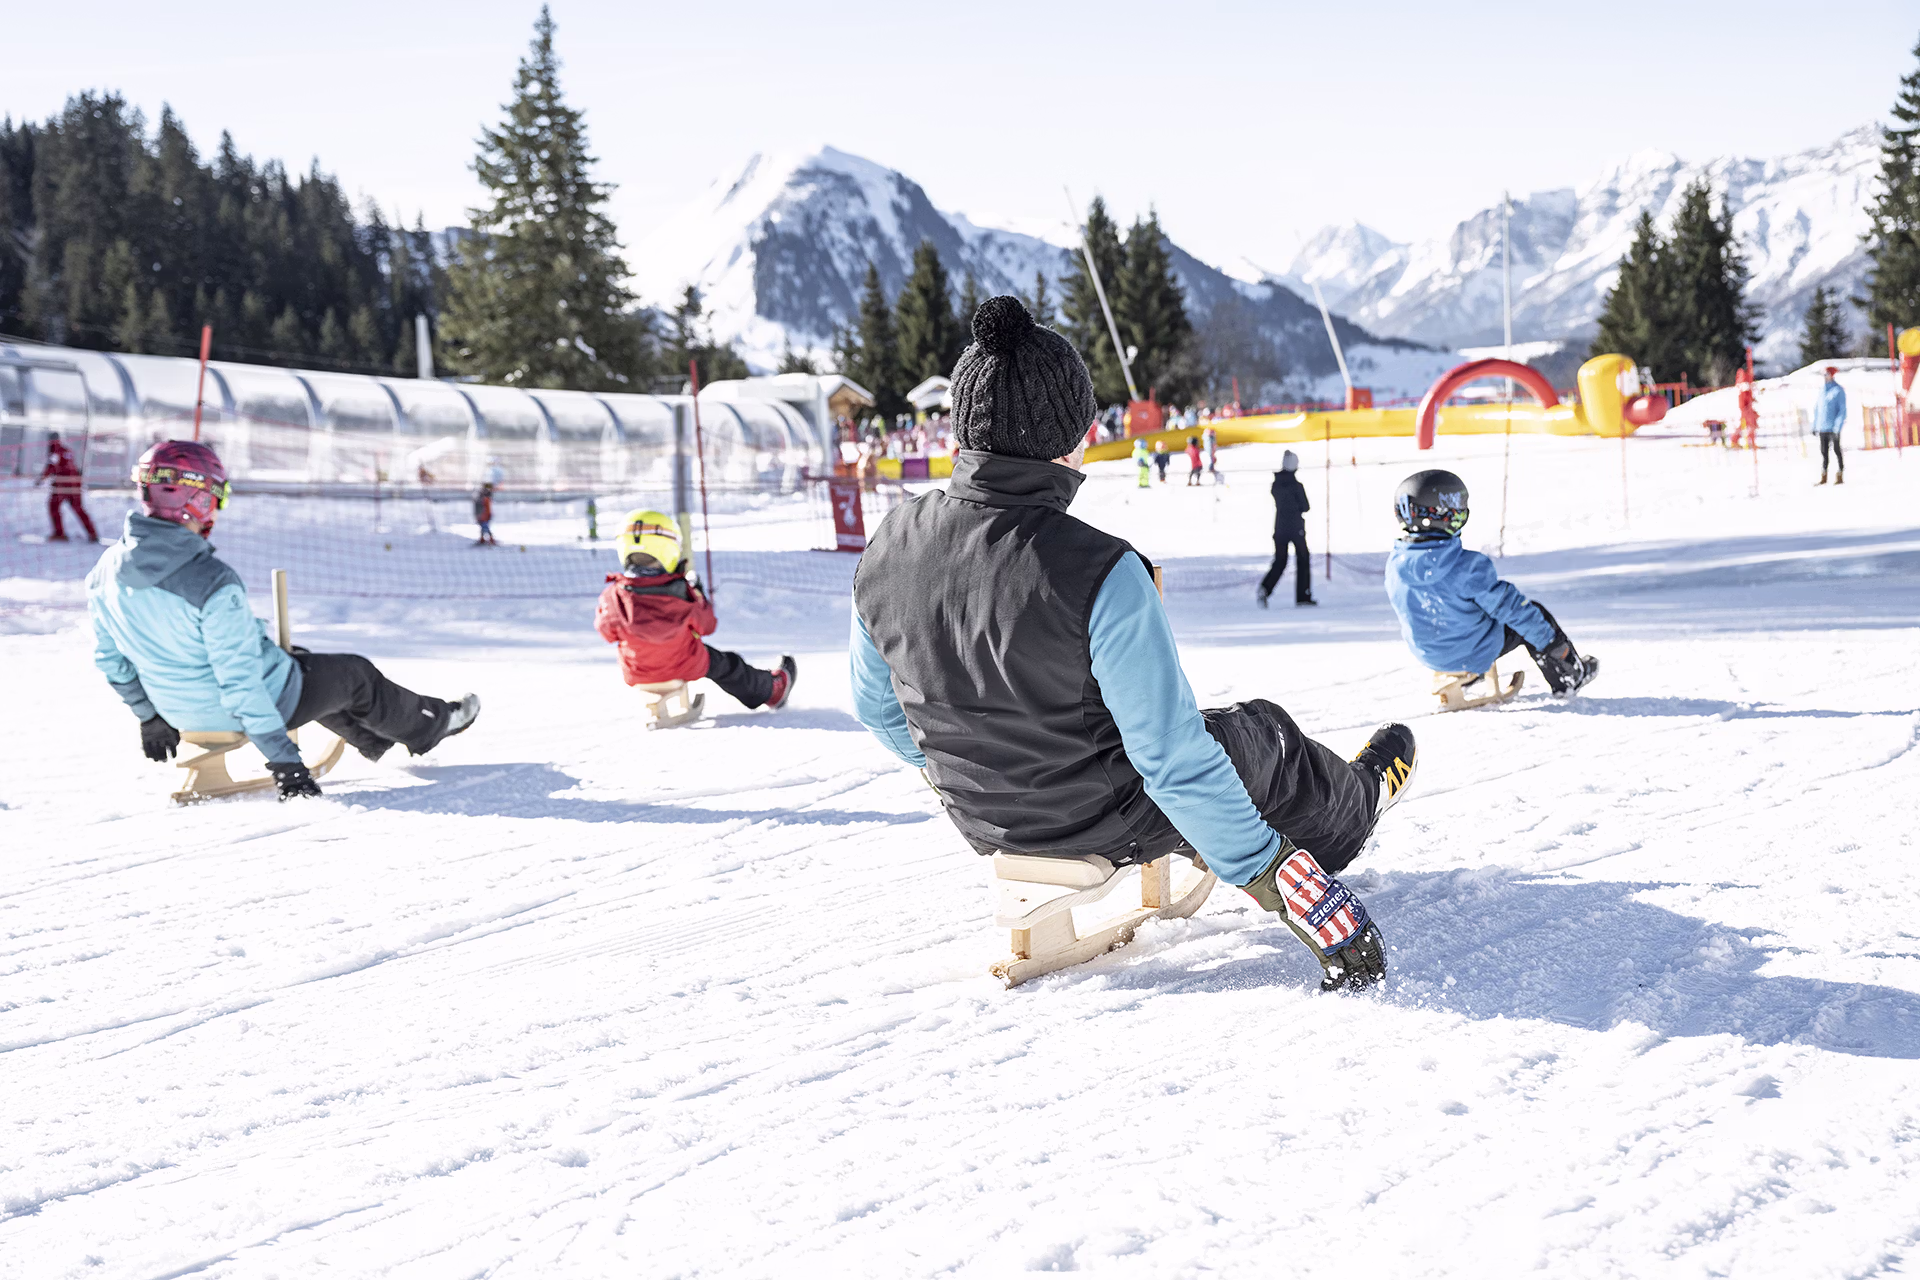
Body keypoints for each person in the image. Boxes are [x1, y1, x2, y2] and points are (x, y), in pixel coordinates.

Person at [849, 296, 1418, 992]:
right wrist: (1272, 874)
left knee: (1195, 744)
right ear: (1072, 437)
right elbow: (1170, 760)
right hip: (1102, 816)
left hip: (981, 814)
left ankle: (1230, 824)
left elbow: (880, 712)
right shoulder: (1100, 569)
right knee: (1258, 736)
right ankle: (1357, 803)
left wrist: (973, 761)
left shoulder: (887, 546)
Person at [87, 441, 480, 800]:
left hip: (174, 710)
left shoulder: (105, 571)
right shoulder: (211, 581)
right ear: (201, 500)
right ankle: (434, 723)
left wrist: (149, 717)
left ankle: (376, 741)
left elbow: (111, 661)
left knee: (303, 665)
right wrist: (285, 764)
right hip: (241, 707)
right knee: (354, 674)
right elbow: (240, 681)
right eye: (217, 496)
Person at [1385, 469, 1598, 695]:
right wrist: (1549, 642)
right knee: (1535, 615)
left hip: (1429, 653)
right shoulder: (1466, 566)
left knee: (1465, 611)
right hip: (1471, 652)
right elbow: (1513, 609)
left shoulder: (1395, 564)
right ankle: (1569, 675)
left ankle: (1465, 673)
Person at [595, 509, 795, 711]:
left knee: (699, 657)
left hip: (637, 670)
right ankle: (771, 690)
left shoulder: (613, 595)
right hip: (686, 662)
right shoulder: (680, 591)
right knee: (728, 665)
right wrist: (698, 593)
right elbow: (707, 626)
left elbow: (606, 632)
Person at [1258, 450, 1315, 608]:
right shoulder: (1296, 486)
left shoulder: (1276, 485)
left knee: (1280, 561)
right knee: (1303, 560)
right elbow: (1305, 506)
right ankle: (1303, 595)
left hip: (1280, 528)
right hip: (1296, 528)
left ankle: (1265, 588)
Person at [36, 431, 98, 543]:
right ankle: (92, 533)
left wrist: (41, 479)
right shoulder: (66, 450)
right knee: (78, 508)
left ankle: (59, 533)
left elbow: (51, 466)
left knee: (53, 507)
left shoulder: (55, 451)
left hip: (62, 485)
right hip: (74, 485)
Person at [1814, 365, 1846, 485]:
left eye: (1826, 374)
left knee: (1837, 450)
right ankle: (1824, 475)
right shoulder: (1822, 391)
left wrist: (1837, 427)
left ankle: (1840, 473)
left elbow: (1842, 410)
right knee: (1824, 452)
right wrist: (1815, 426)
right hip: (1823, 427)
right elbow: (1818, 409)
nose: (1825, 377)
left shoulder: (1838, 390)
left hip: (1833, 427)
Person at [1734, 367, 1758, 450]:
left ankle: (1745, 440)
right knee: (1748, 424)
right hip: (1746, 408)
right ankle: (1737, 440)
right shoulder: (1744, 381)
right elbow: (1745, 397)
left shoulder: (1744, 379)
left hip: (1746, 408)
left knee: (1748, 425)